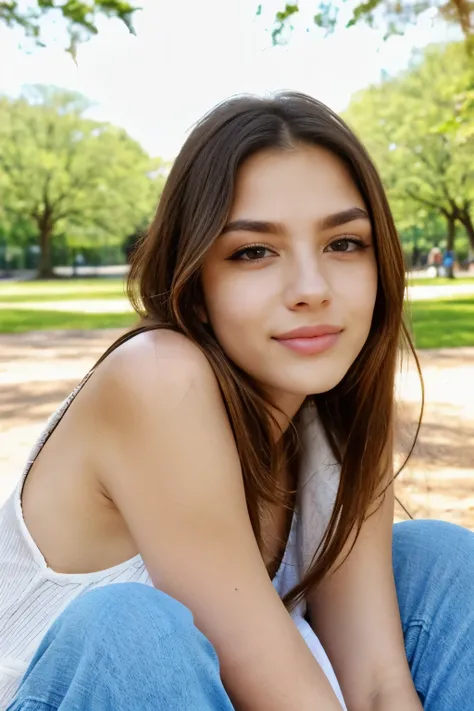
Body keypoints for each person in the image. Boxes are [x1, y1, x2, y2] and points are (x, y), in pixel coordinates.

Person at [1, 92, 473, 711]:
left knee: (441, 558)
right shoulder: (157, 378)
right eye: (254, 252)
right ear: (194, 286)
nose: (312, 289)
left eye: (344, 243)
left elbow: (377, 681)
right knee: (134, 630)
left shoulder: (336, 409)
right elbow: (281, 690)